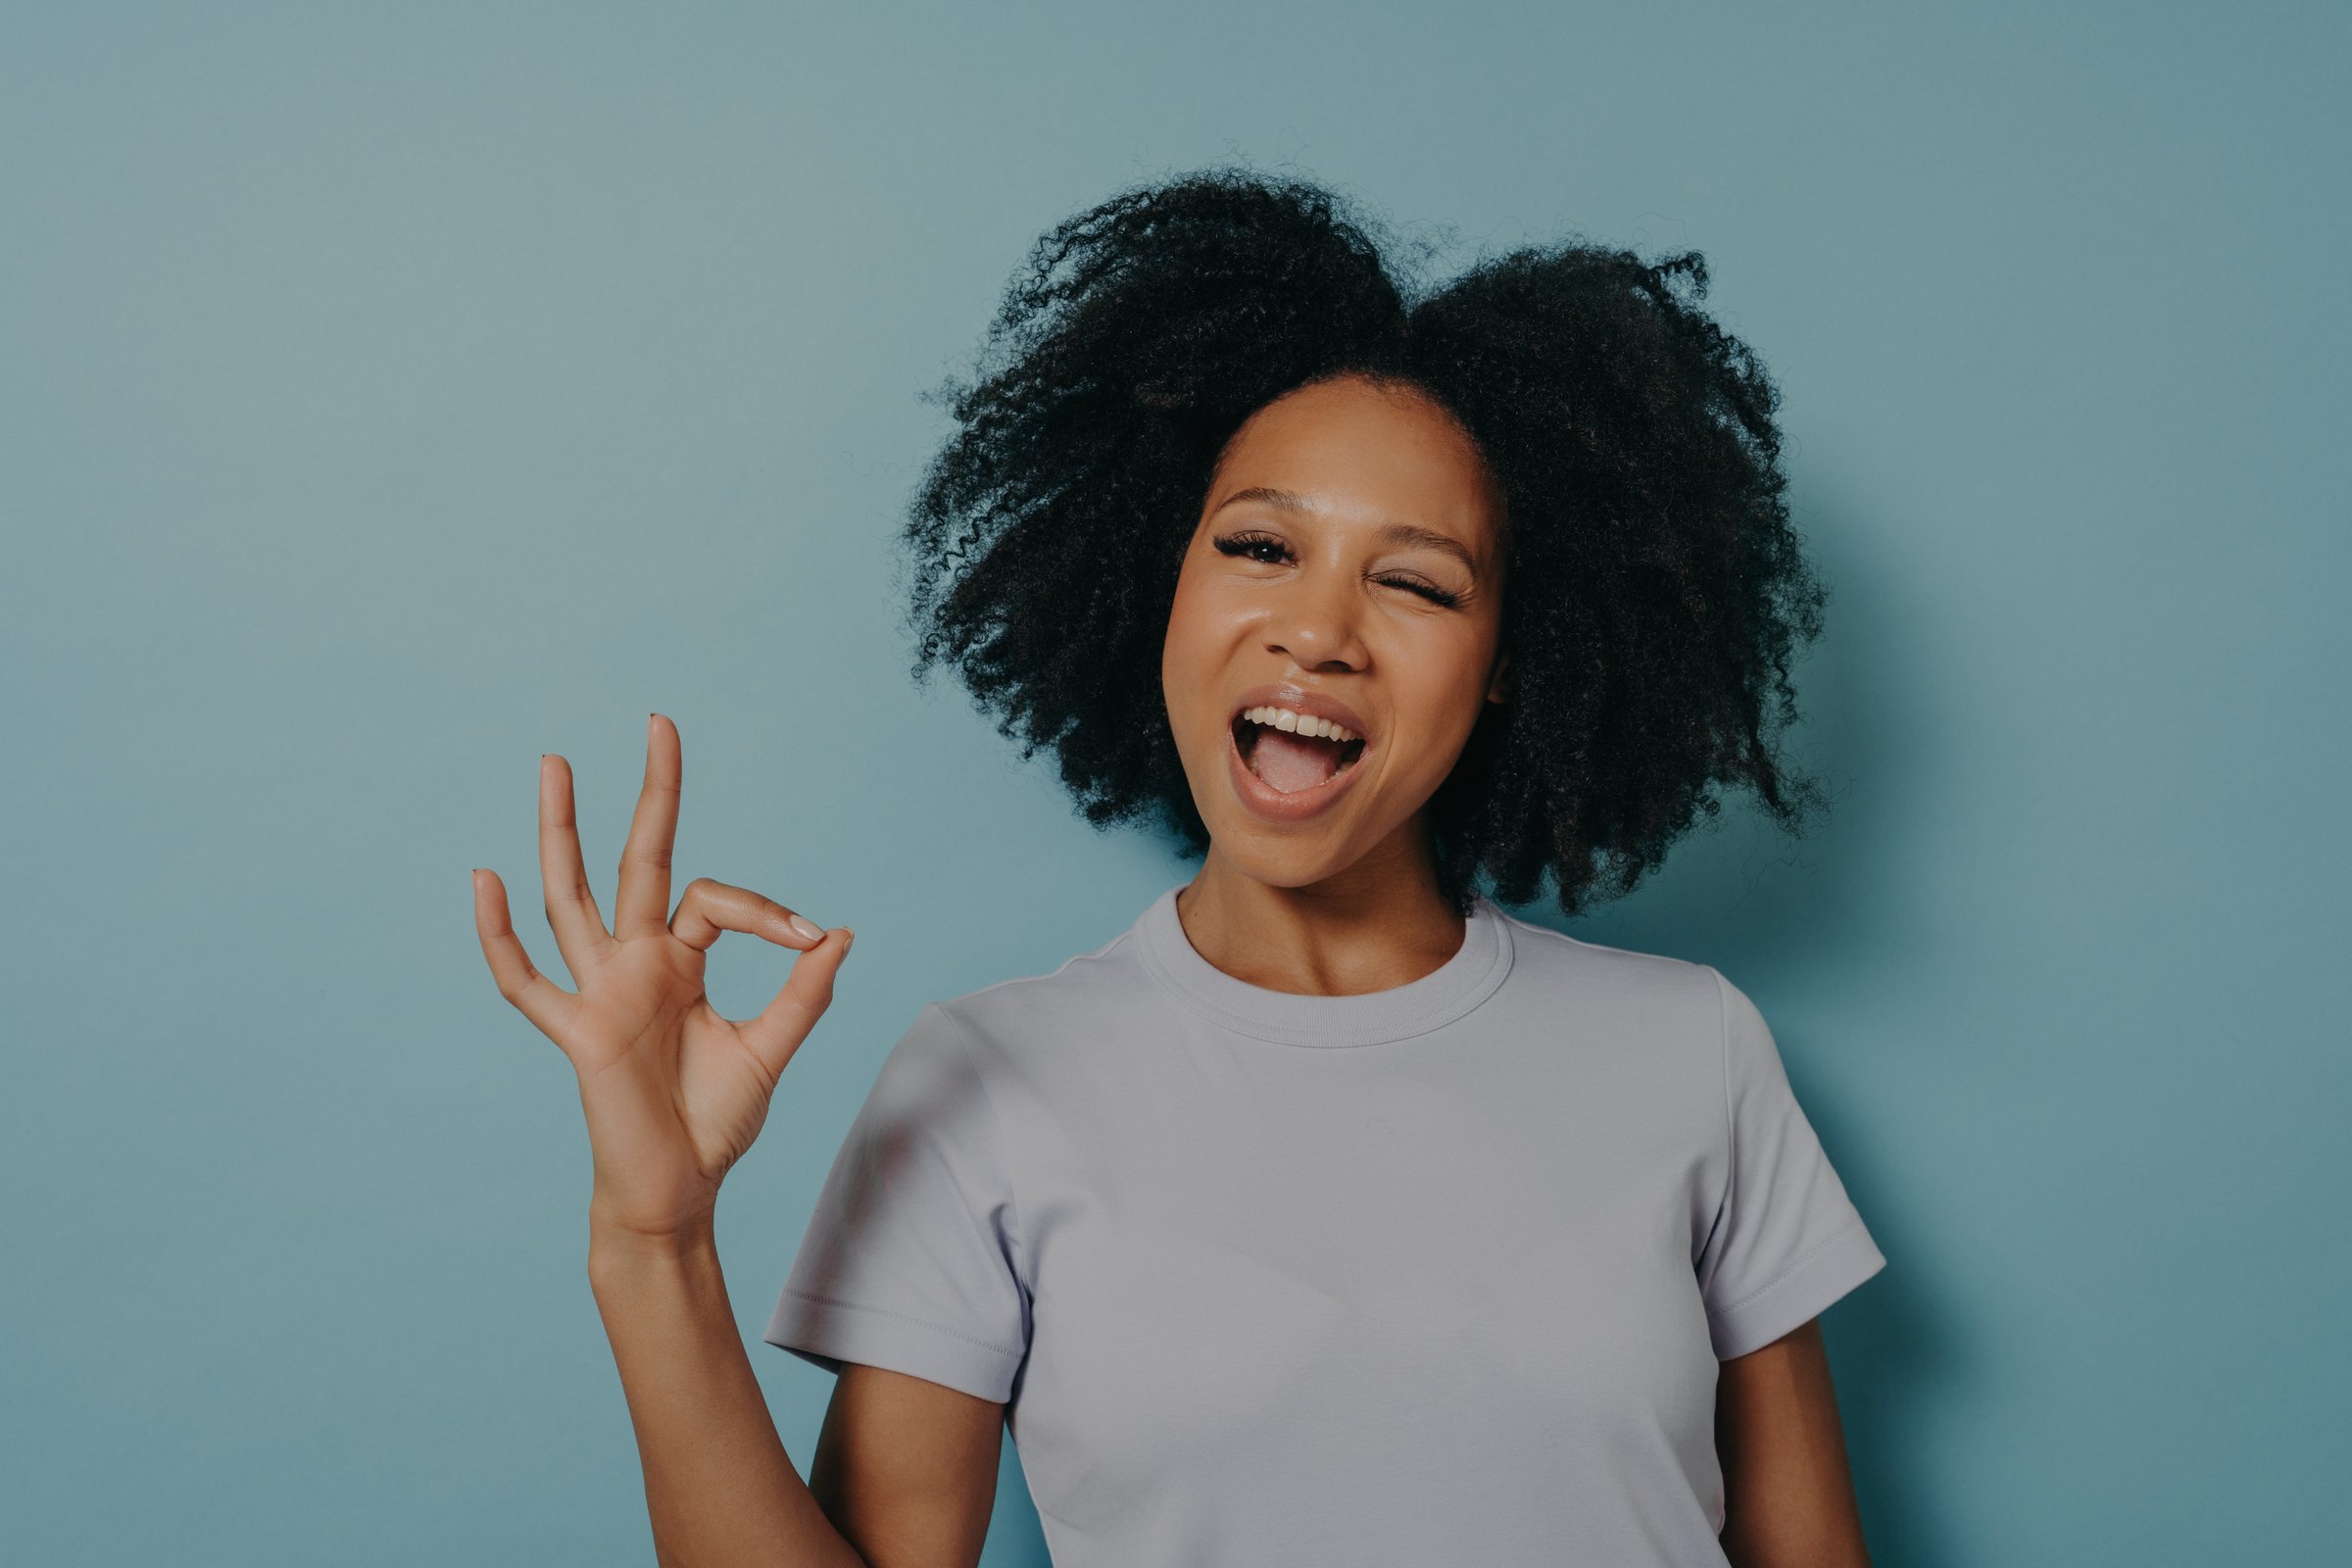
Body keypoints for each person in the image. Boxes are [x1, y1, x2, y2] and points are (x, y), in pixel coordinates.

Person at [471, 169, 1886, 1567]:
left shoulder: (1691, 1050)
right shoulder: (984, 1082)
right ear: (1164, 582)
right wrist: (652, 1246)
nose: (1318, 631)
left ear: (1516, 657)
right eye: (1261, 546)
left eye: (1417, 581)